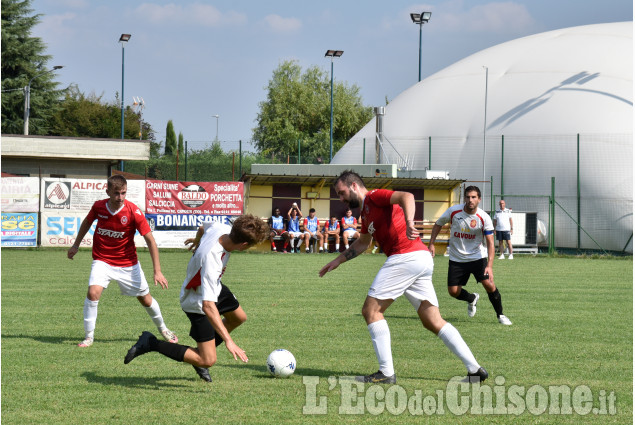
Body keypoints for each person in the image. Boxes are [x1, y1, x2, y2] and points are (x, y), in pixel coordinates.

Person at [319, 171, 487, 384]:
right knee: (432, 320)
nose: (341, 199)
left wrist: (409, 222)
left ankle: (386, 373)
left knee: (371, 311)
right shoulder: (366, 213)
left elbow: (406, 196)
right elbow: (363, 242)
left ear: (353, 186)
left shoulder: (373, 197)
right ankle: (475, 370)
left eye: (341, 193)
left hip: (405, 256)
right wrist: (338, 261)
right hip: (419, 259)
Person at [124, 214, 269, 382]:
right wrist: (228, 341)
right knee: (208, 360)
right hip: (197, 300)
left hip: (215, 287)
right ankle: (151, 343)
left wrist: (198, 240)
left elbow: (202, 227)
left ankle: (202, 350)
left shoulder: (222, 228)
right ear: (244, 245)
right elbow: (208, 306)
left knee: (238, 317)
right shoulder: (212, 260)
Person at [67, 175, 178, 348]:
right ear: (108, 192)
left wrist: (157, 270)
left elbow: (150, 240)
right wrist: (76, 245)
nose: (120, 197)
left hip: (128, 264)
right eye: (117, 193)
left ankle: (163, 329)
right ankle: (89, 337)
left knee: (145, 299)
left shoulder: (133, 212)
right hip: (102, 260)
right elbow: (87, 222)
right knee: (93, 293)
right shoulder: (98, 207)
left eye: (123, 193)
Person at [428, 186, 512, 326]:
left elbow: (491, 243)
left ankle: (501, 315)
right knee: (453, 292)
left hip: (477, 257)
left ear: (479, 199)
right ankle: (472, 298)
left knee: (489, 285)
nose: (470, 200)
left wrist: (489, 266)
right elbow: (438, 224)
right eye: (467, 197)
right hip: (457, 258)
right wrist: (431, 243)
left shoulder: (484, 217)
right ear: (464, 198)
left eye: (473, 197)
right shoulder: (453, 211)